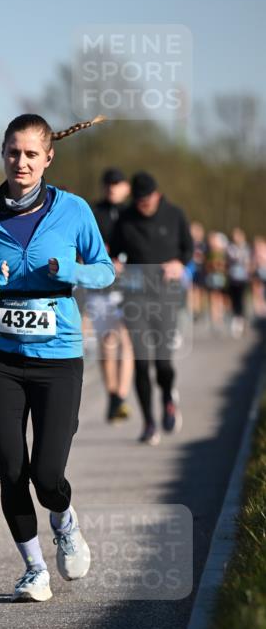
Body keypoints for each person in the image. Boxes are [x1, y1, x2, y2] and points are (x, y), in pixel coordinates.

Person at [0, 112, 113, 603]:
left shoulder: (75, 211)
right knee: (11, 469)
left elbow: (105, 270)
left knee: (47, 475)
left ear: (48, 158)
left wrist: (74, 270)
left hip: (59, 358)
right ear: (3, 154)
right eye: (13, 153)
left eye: (31, 154)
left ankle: (64, 521)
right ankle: (34, 568)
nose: (21, 162)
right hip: (0, 358)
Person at [110, 172, 193, 445]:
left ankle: (168, 397)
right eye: (139, 201)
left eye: (147, 200)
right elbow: (114, 251)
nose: (143, 205)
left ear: (157, 194)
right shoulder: (125, 218)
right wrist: (115, 263)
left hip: (165, 295)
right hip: (135, 296)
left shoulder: (175, 215)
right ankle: (148, 422)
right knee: (142, 362)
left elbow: (188, 250)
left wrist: (180, 264)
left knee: (163, 363)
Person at [89, 167, 134, 423]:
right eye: (108, 183)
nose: (112, 188)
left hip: (128, 288)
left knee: (126, 340)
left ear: (125, 187)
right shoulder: (94, 212)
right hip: (101, 288)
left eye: (117, 183)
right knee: (107, 341)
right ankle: (112, 393)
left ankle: (121, 397)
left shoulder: (132, 214)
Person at [226, 227, 252, 338]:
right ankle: (236, 320)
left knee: (241, 301)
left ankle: (241, 322)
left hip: (243, 278)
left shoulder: (246, 248)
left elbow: (247, 262)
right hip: (233, 278)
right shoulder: (231, 248)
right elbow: (230, 259)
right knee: (234, 301)